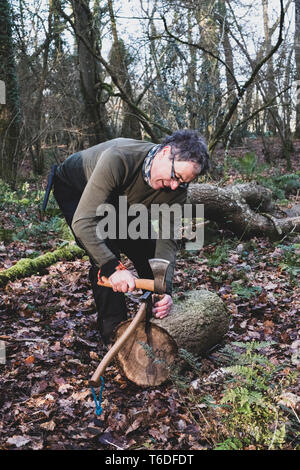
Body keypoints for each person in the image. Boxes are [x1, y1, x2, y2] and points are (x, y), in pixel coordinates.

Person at [52, 130, 209, 344]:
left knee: (146, 249)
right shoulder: (119, 158)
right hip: (76, 189)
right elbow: (83, 222)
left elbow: (167, 240)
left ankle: (152, 315)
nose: (175, 186)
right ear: (165, 153)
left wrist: (164, 289)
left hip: (122, 198)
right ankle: (115, 335)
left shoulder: (176, 189)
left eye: (182, 182)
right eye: (176, 176)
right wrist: (113, 268)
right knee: (105, 257)